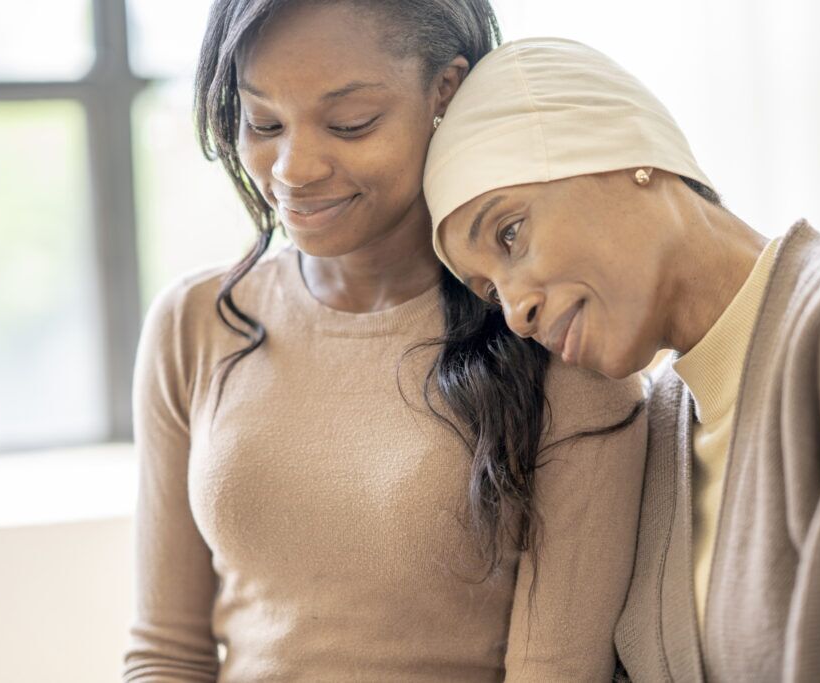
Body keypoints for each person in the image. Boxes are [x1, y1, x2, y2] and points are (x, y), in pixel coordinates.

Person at [423, 37, 820, 682]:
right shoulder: (659, 436)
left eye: (510, 234)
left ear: (626, 149)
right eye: (489, 291)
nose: (514, 312)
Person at [123, 7, 648, 681]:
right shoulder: (193, 323)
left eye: (350, 124)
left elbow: (559, 670)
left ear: (446, 93)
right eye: (264, 123)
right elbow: (166, 652)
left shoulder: (556, 338)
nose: (293, 169)